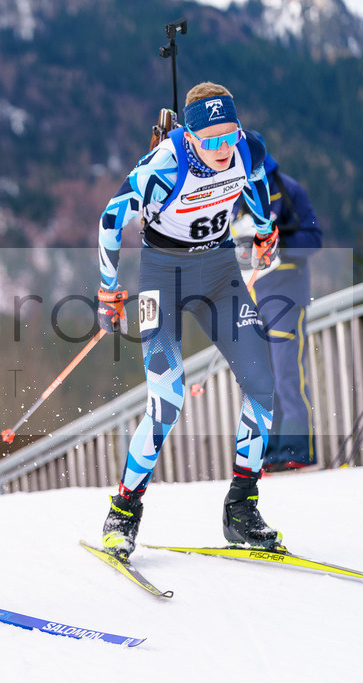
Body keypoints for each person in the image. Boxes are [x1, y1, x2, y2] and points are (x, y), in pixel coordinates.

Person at [94, 82, 282, 560]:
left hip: (220, 274)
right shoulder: (164, 165)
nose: (223, 148)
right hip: (163, 278)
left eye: (229, 135)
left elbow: (257, 181)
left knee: (262, 384)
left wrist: (264, 229)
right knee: (166, 400)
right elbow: (111, 219)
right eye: (211, 140)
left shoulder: (247, 148)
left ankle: (241, 508)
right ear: (190, 136)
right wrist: (107, 288)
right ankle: (123, 511)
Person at [230, 138, 322, 472]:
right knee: (264, 380)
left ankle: (297, 449)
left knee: (287, 374)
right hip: (253, 297)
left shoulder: (288, 189)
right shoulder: (234, 196)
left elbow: (313, 240)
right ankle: (271, 453)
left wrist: (276, 241)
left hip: (287, 295)